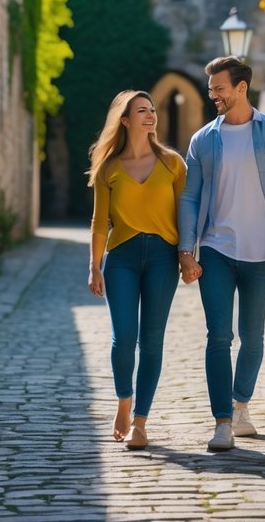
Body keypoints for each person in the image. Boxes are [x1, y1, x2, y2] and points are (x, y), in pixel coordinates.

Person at [177, 56, 265, 451]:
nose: (212, 94)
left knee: (252, 337)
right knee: (218, 336)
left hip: (262, 252)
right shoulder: (202, 141)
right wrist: (186, 250)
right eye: (211, 87)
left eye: (219, 88)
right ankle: (222, 421)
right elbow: (191, 197)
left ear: (241, 88)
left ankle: (241, 404)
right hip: (215, 249)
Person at [87, 90, 187, 450]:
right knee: (124, 336)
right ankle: (123, 403)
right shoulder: (108, 169)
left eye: (152, 110)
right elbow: (100, 222)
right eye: (141, 111)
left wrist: (188, 254)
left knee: (152, 339)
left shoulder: (173, 164)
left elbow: (186, 215)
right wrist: (94, 266)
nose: (150, 116)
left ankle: (141, 423)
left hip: (163, 258)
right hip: (122, 260)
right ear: (125, 121)